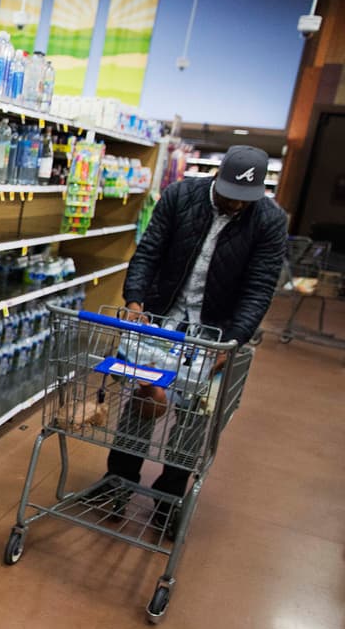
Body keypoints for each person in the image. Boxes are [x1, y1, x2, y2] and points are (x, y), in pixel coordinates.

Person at [104, 145, 287, 536]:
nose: (236, 204)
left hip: (215, 332)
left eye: (245, 199)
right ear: (216, 178)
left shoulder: (270, 221)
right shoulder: (180, 196)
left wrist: (234, 340)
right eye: (230, 195)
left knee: (195, 416)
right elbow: (148, 252)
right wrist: (134, 301)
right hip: (162, 319)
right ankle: (118, 483)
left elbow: (259, 288)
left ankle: (168, 498)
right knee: (144, 397)